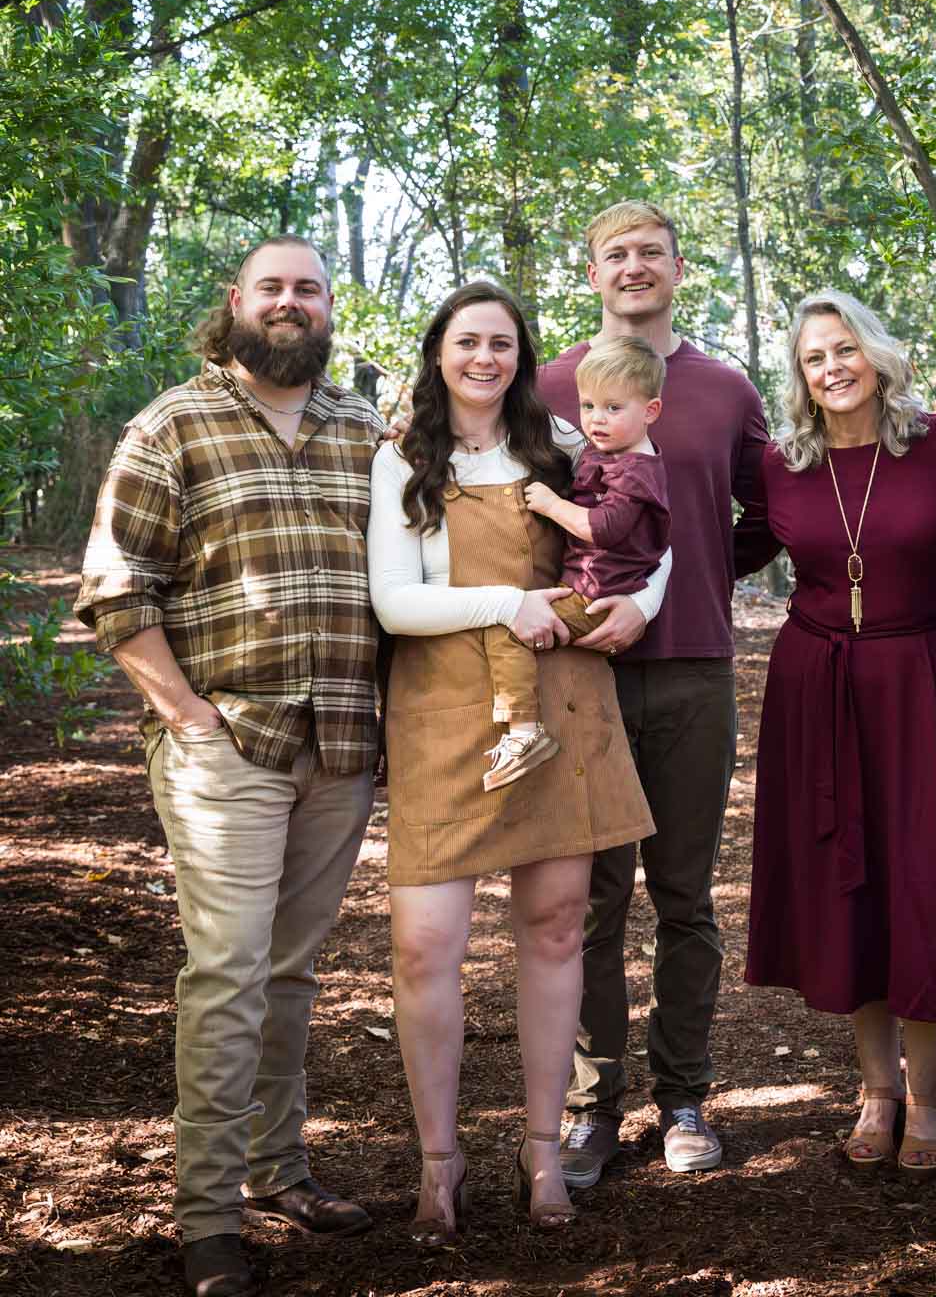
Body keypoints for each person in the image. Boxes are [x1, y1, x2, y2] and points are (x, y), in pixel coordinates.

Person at [76, 236, 381, 1297]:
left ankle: (279, 1167)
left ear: (329, 306)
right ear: (237, 301)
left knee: (292, 972)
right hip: (227, 746)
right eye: (272, 287)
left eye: (309, 288)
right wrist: (187, 715)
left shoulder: (365, 428)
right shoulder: (173, 423)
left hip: (341, 744)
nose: (291, 302)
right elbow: (116, 584)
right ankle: (208, 1217)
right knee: (229, 974)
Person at [367, 280, 664, 1240]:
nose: (484, 358)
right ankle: (439, 1164)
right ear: (438, 353)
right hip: (441, 711)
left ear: (522, 358)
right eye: (467, 342)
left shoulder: (562, 447)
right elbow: (395, 603)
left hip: (561, 699)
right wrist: (507, 603)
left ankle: (542, 1154)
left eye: (501, 343)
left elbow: (649, 536)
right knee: (425, 946)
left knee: (554, 927)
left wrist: (642, 605)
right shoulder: (403, 458)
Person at [738, 290, 936, 1177]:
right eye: (814, 357)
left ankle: (927, 1098)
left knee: (928, 879)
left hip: (922, 681)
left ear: (877, 354)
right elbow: (708, 543)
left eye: (845, 349)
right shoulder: (781, 464)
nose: (833, 368)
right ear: (798, 376)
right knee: (847, 883)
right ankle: (876, 1090)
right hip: (816, 686)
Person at [539, 200, 769, 1183]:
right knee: (590, 902)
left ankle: (683, 1097)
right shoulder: (547, 385)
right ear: (591, 273)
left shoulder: (722, 389)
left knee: (684, 896)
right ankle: (590, 1109)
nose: (633, 267)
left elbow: (771, 511)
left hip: (691, 673)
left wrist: (700, 575)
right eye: (615, 254)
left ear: (678, 268)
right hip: (578, 678)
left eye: (650, 253)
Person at [524, 336, 670, 644]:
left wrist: (551, 505)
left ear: (650, 411)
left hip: (596, 596)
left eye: (613, 407)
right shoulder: (608, 450)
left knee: (518, 634)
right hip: (580, 584)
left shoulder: (636, 472)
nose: (596, 419)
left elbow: (603, 528)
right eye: (587, 405)